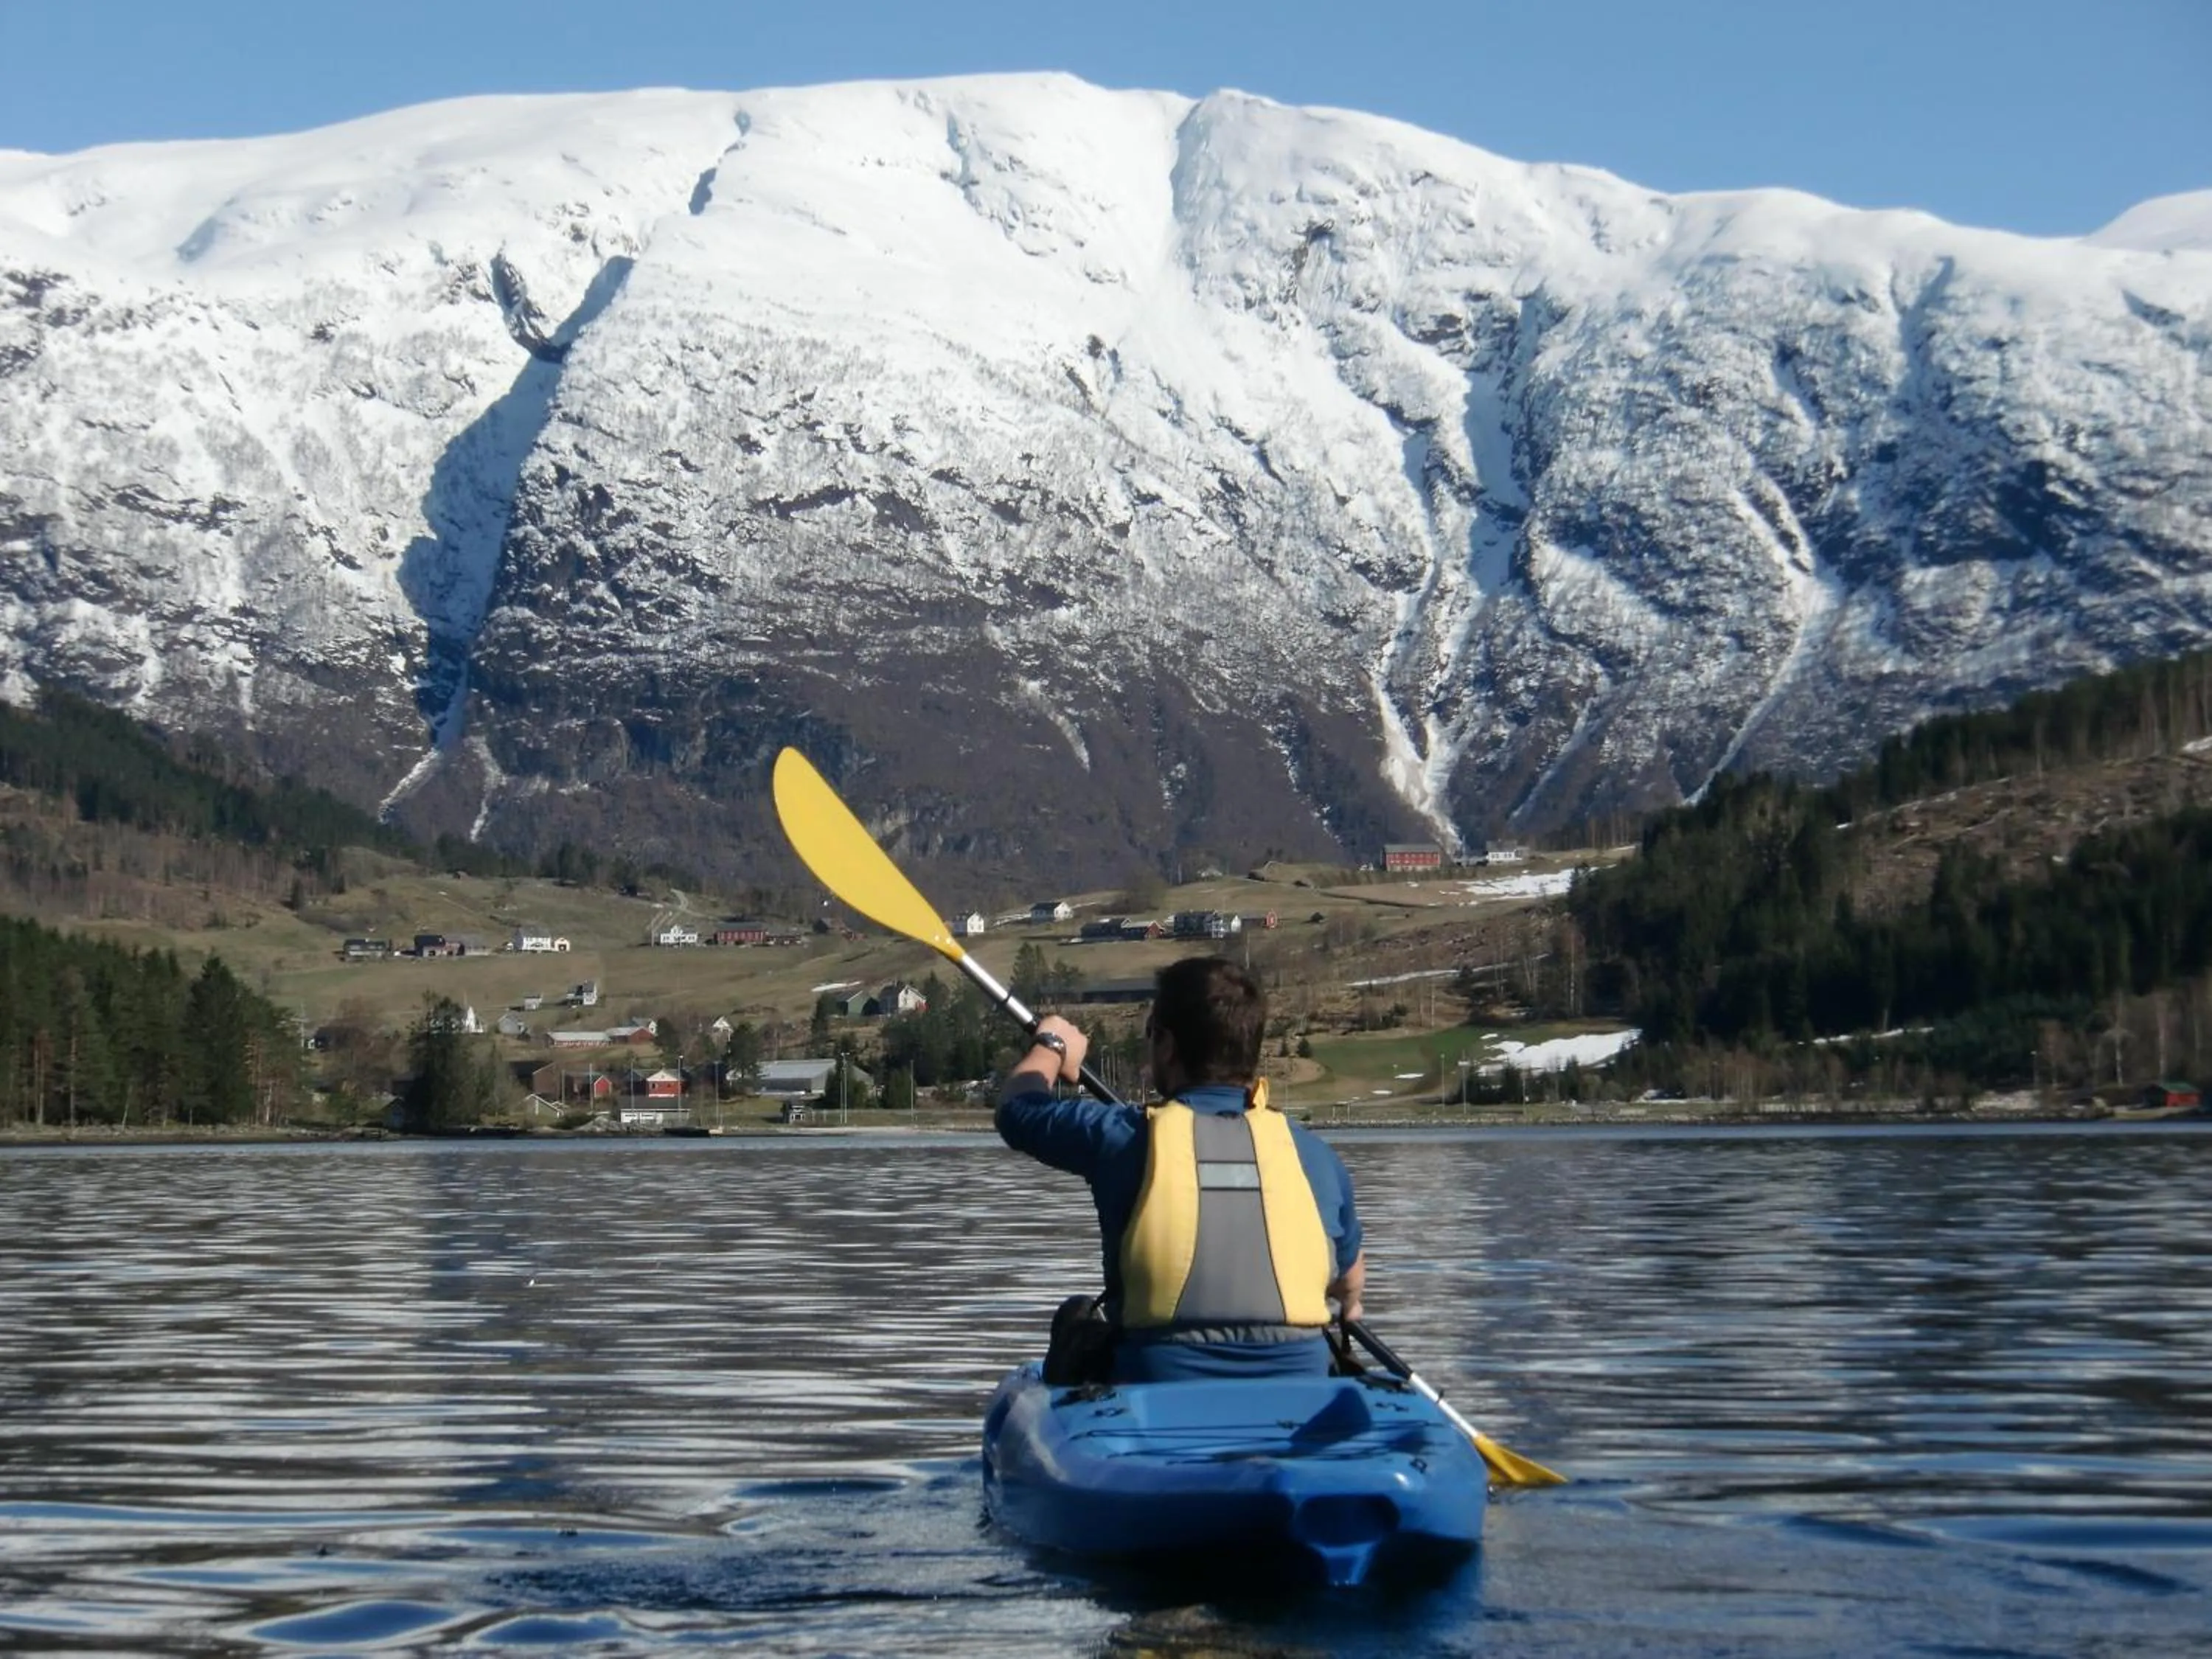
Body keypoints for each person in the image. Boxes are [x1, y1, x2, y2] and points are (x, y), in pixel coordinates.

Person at [995, 956, 1366, 1383]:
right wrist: (1349, 1305)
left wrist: (1053, 1046)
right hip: (1299, 1380)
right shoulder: (1313, 1155)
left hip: (1156, 1383)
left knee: (1074, 1320)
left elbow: (1017, 1111)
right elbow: (1349, 1284)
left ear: (1167, 1045)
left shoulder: (1123, 1139)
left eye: (1151, 1034)